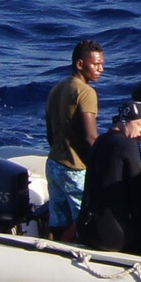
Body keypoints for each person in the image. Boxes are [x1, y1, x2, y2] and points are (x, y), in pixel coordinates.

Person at [43, 39, 106, 238]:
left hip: (53, 164)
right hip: (75, 169)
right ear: (80, 64)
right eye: (95, 64)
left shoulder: (57, 88)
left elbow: (50, 134)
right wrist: (101, 164)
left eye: (102, 64)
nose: (100, 69)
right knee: (83, 221)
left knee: (57, 221)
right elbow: (90, 137)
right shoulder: (86, 92)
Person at [76, 107, 141, 253]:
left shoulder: (100, 140)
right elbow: (138, 193)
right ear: (124, 121)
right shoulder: (128, 144)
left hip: (86, 229)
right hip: (113, 236)